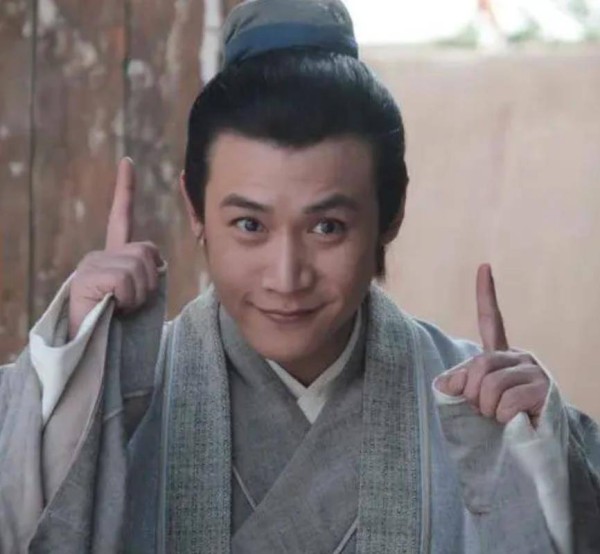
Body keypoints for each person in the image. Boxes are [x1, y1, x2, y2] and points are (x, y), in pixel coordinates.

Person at [1, 0, 599, 552]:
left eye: (327, 227)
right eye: (249, 225)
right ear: (195, 210)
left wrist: (546, 462)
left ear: (391, 213)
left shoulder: (478, 409)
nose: (286, 277)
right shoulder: (114, 395)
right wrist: (67, 382)